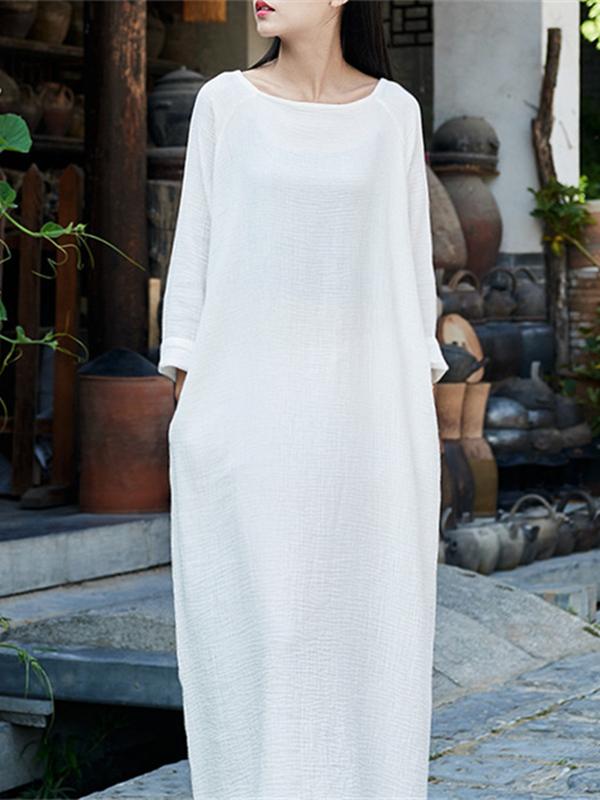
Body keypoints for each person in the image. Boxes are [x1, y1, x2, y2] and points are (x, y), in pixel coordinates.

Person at [158, 0, 449, 797]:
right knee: (261, 640)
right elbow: (194, 264)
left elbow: (412, 285)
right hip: (248, 423)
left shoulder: (394, 115)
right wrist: (188, 404)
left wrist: (415, 429)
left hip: (365, 425)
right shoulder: (225, 105)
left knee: (363, 638)